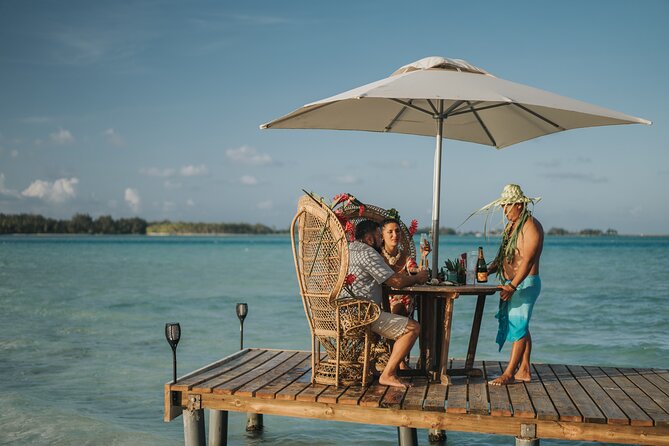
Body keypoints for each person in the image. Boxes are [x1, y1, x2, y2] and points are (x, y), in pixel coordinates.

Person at [474, 184, 544, 386]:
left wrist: (512, 286)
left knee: (519, 326)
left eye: (508, 206)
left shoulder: (531, 226)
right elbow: (503, 256)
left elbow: (529, 260)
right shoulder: (511, 227)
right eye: (503, 206)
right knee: (521, 325)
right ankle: (524, 370)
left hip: (525, 284)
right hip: (511, 283)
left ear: (520, 205)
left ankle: (509, 374)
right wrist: (487, 270)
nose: (504, 210)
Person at [347, 219, 429, 388]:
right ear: (370, 239)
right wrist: (417, 278)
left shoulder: (348, 250)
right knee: (414, 328)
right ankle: (389, 373)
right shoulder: (369, 253)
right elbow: (396, 282)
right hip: (364, 315)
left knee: (399, 311)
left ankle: (391, 365)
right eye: (379, 235)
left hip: (344, 312)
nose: (382, 239)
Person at [380, 218, 430, 317]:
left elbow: (418, 274)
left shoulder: (406, 257)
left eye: (397, 231)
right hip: (382, 303)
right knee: (398, 306)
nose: (395, 235)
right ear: (382, 236)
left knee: (426, 302)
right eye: (390, 232)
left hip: (404, 304)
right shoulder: (377, 257)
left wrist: (424, 256)